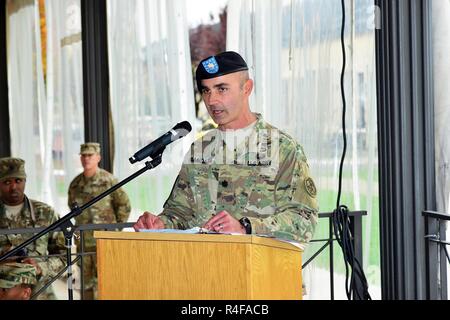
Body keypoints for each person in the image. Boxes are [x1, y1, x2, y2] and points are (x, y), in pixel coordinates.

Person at [133, 51, 318, 243]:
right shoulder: (200, 150)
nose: (212, 100)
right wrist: (160, 224)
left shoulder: (282, 149)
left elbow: (304, 220)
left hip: (257, 268)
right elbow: (180, 213)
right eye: (206, 90)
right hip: (202, 267)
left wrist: (246, 227)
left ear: (246, 88)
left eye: (221, 89)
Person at [68, 142, 131, 300]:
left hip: (105, 239)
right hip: (84, 242)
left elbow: (124, 205)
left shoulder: (108, 181)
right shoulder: (75, 185)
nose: (86, 159)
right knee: (86, 283)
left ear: (98, 157)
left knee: (107, 279)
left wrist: (115, 231)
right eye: (83, 155)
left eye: (90, 155)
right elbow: (72, 207)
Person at [0, 157, 65, 300]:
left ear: (25, 181)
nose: (13, 187)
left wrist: (41, 266)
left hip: (41, 293)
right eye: (6, 182)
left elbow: (64, 256)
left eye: (18, 181)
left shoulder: (46, 213)